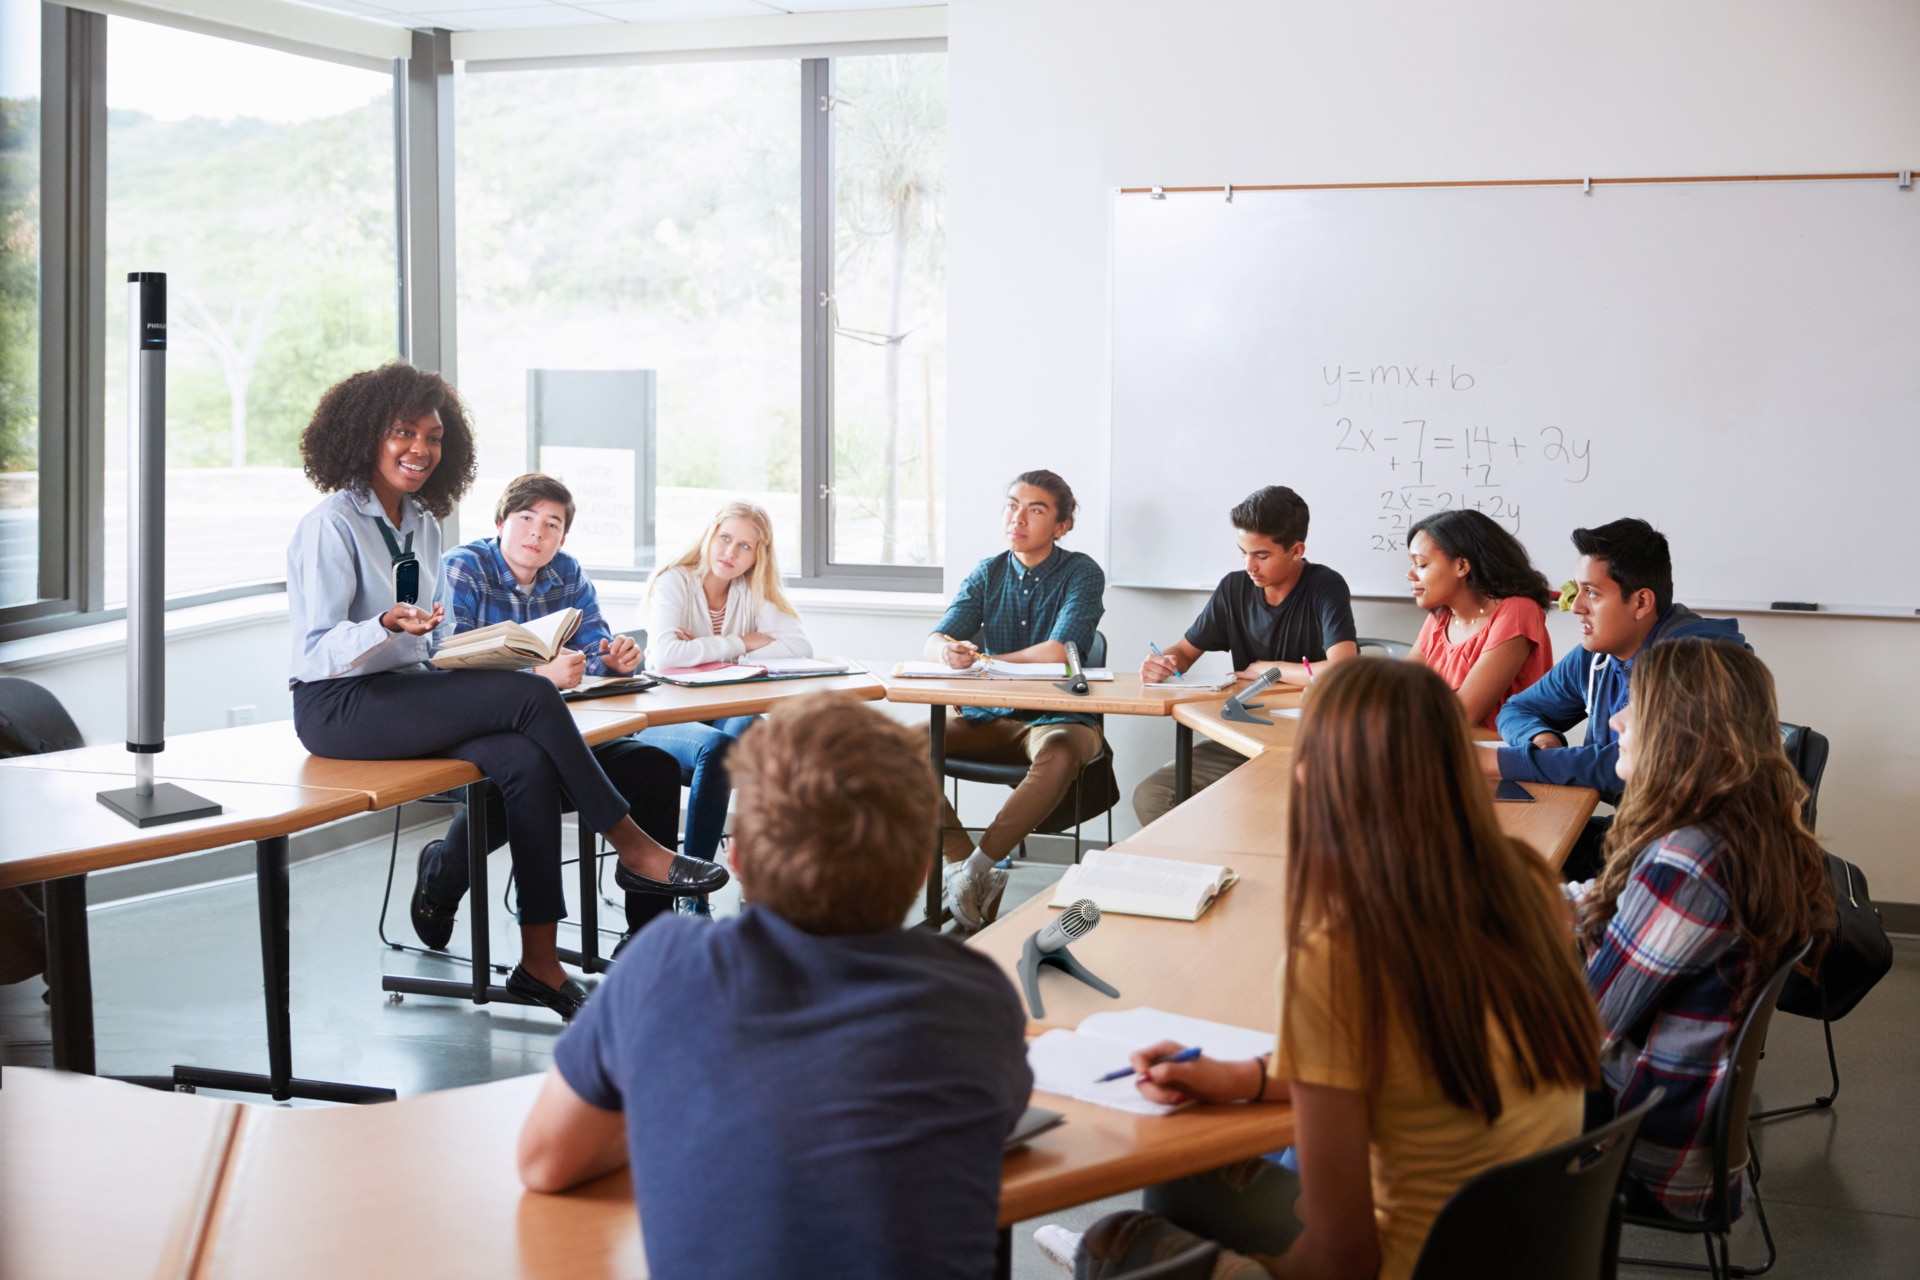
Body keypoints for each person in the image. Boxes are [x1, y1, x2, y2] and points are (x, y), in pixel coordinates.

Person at [1069, 660, 1600, 1280]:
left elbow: (1341, 1261)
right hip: (1524, 1251)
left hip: (1396, 1265)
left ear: (1310, 778)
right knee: (1184, 1181)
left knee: (1112, 1242)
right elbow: (1395, 1065)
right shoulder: (1524, 881)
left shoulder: (1339, 956)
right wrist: (1242, 1077)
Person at [516, 693, 1032, 1280]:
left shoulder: (662, 966)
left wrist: (676, 1115)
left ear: (734, 857)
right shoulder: (976, 990)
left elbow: (544, 1162)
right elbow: (998, 1121)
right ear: (920, 868)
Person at [286, 362, 726, 1020]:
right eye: (403, 432)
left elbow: (429, 643)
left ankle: (539, 966)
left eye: (433, 437)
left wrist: (449, 647)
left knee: (523, 760)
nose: (420, 449)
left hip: (406, 688)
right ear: (364, 434)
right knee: (530, 698)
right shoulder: (333, 524)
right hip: (337, 705)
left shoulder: (423, 524)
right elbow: (315, 650)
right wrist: (381, 624)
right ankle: (636, 849)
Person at [1577, 638, 1832, 1222]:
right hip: (1676, 1125)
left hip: (1642, 1154)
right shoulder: (1745, 831)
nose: (1615, 719)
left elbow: (1581, 1028)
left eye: (1632, 707)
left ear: (1679, 731)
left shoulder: (1686, 861)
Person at [411, 473, 685, 951]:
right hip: (471, 737)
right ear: (500, 522)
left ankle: (649, 936)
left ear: (562, 537)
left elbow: (593, 644)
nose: (537, 533)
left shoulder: (567, 572)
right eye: (526, 518)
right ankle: (441, 878)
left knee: (654, 767)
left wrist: (612, 659)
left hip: (556, 735)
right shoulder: (462, 569)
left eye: (552, 525)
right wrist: (536, 681)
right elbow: (447, 671)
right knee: (520, 777)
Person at [1485, 518, 1747, 879]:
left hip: (1691, 861)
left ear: (1641, 602)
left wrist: (1496, 761)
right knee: (1498, 855)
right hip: (1637, 835)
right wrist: (1538, 739)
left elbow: (1631, 768)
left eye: (1592, 592)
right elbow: (1519, 708)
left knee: (1511, 884)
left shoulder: (1695, 663)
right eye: (1577, 590)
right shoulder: (1598, 654)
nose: (1576, 606)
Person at [924, 470, 1105, 931]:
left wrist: (984, 658)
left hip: (1059, 717)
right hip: (990, 719)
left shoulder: (1081, 572)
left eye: (1035, 510)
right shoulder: (988, 571)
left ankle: (976, 870)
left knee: (1060, 751)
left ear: (1061, 526)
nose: (1017, 518)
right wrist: (947, 651)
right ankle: (962, 866)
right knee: (895, 749)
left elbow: (1058, 652)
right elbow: (936, 637)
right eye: (1011, 505)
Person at [1133, 485, 1357, 826]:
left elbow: (1344, 669)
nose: (1249, 565)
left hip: (1310, 742)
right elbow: (1183, 651)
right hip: (1243, 735)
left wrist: (1273, 670)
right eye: (1243, 552)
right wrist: (1164, 663)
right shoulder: (1234, 588)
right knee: (1153, 795)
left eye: (1262, 555)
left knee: (1271, 816)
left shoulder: (1325, 586)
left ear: (1297, 550)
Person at [638, 503, 811, 895]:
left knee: (758, 732)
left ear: (757, 557)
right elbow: (666, 655)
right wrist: (741, 644)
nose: (730, 553)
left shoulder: (750, 590)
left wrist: (702, 648)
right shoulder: (674, 581)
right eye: (726, 538)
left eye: (745, 547)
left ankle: (765, 873)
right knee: (719, 749)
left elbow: (799, 645)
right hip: (664, 715)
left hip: (723, 710)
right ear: (710, 535)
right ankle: (694, 885)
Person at [1403, 508, 1554, 729]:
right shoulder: (1442, 615)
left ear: (1462, 566)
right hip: (1440, 742)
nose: (1410, 574)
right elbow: (1397, 692)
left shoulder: (1518, 611)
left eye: (1422, 564)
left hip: (1497, 754)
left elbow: (1461, 716)